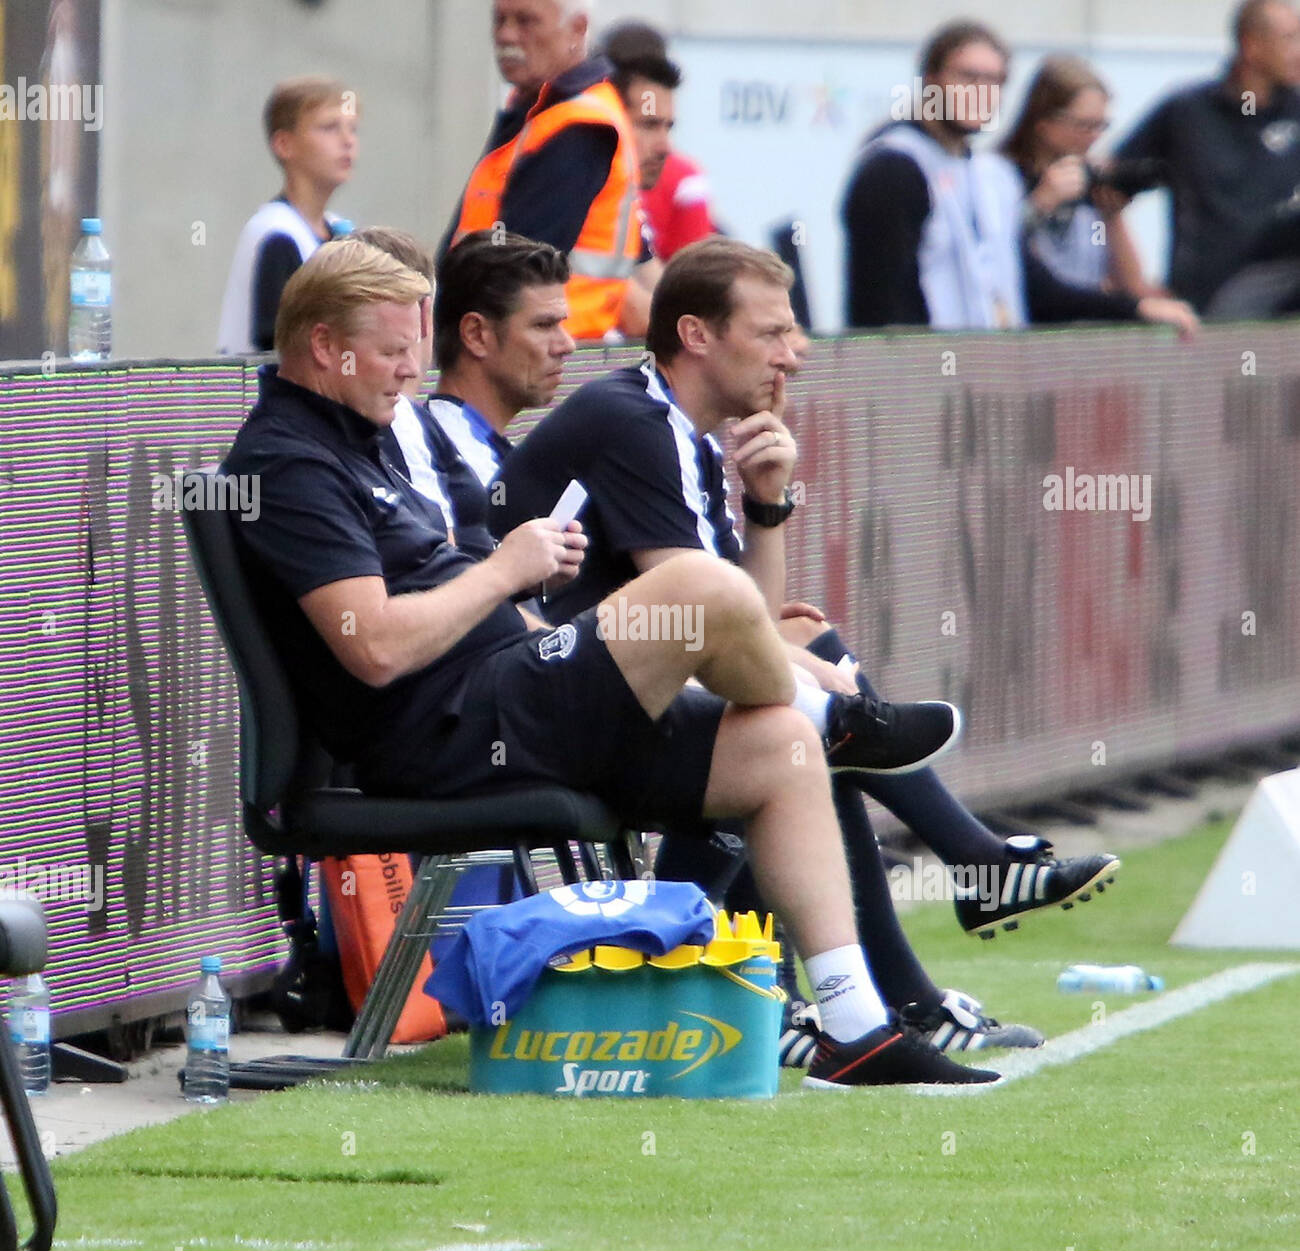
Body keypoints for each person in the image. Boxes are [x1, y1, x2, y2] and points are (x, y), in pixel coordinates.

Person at [220, 237, 996, 1087]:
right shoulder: (288, 461)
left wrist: (516, 593)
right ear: (328, 349)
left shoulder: (358, 434)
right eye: (396, 351)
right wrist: (504, 571)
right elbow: (371, 648)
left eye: (415, 348)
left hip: (511, 696)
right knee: (696, 587)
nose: (412, 372)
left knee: (780, 746)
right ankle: (839, 714)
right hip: (452, 732)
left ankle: (857, 1026)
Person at [492, 237, 1122, 1055]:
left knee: (801, 678)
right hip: (536, 710)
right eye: (773, 333)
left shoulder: (673, 425)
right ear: (696, 335)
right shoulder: (634, 419)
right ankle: (926, 886)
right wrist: (820, 676)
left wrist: (767, 504)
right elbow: (712, 616)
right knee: (802, 719)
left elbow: (737, 615)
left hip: (605, 688)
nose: (795, 355)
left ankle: (903, 948)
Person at [840, 21, 1196, 334]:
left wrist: (1133, 308)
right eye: (967, 77)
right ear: (931, 81)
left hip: (982, 378)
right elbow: (880, 305)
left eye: (993, 80)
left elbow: (1032, 287)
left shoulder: (990, 175)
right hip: (918, 382)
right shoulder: (893, 166)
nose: (979, 91)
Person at [439, 0, 656, 341]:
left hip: (545, 358)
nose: (506, 35)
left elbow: (515, 268)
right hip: (529, 350)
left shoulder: (579, 125)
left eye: (526, 21)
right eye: (499, 20)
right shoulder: (540, 110)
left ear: (578, 29)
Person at [1109, 0, 1300, 314]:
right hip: (1208, 310)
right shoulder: (1187, 113)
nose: (1298, 51)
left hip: (1287, 314)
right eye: (1289, 38)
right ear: (1251, 46)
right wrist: (1137, 289)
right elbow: (1110, 189)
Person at [1001, 56, 1168, 301]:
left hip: (1083, 317)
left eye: (1101, 126)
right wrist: (1039, 204)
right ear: (1043, 122)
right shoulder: (1002, 176)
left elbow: (1130, 285)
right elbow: (994, 253)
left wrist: (1111, 216)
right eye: (1084, 125)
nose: (1093, 137)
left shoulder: (1089, 184)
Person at [217, 76, 358, 354]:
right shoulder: (276, 234)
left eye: (353, 129)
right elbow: (278, 344)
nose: (347, 141)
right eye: (329, 127)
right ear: (284, 144)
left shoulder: (339, 231)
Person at [599, 19, 718, 260]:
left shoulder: (684, 179)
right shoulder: (572, 177)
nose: (664, 147)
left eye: (668, 127)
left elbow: (681, 285)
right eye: (648, 125)